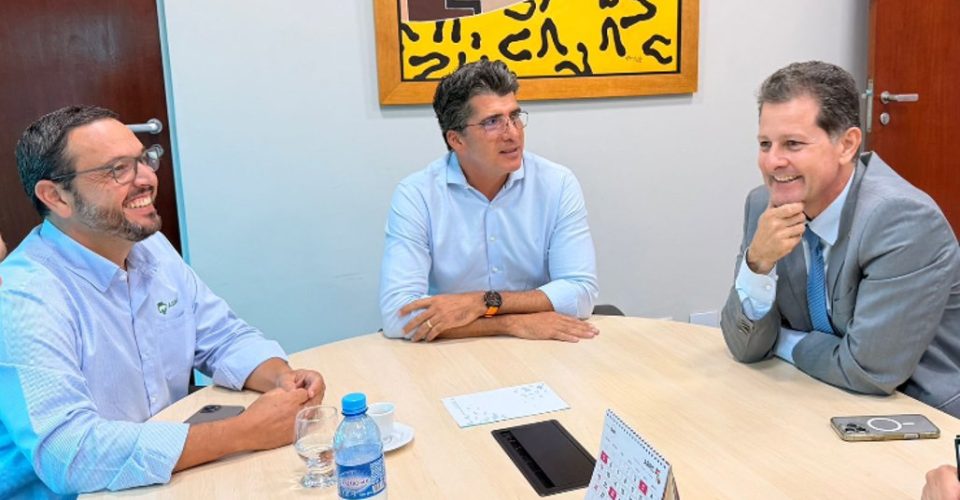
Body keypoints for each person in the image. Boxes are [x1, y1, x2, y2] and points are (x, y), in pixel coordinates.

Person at [0, 105, 326, 497]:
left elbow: (221, 336)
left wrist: (278, 376)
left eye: (143, 159)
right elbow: (69, 454)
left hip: (168, 476)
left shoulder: (148, 246)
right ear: (56, 197)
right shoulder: (23, 297)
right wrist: (242, 432)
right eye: (117, 169)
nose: (146, 179)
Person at [720, 61, 960, 415]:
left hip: (916, 417)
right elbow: (743, 346)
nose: (772, 162)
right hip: (817, 395)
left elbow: (869, 372)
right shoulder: (764, 205)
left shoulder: (902, 219)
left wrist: (782, 341)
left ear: (847, 145)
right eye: (765, 143)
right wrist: (758, 265)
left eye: (793, 144)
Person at [379, 60, 599, 342]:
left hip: (541, 347)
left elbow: (581, 293)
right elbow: (399, 316)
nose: (513, 133)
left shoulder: (557, 183)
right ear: (457, 140)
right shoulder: (417, 195)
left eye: (515, 116)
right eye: (492, 122)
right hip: (452, 349)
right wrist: (509, 324)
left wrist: (482, 302)